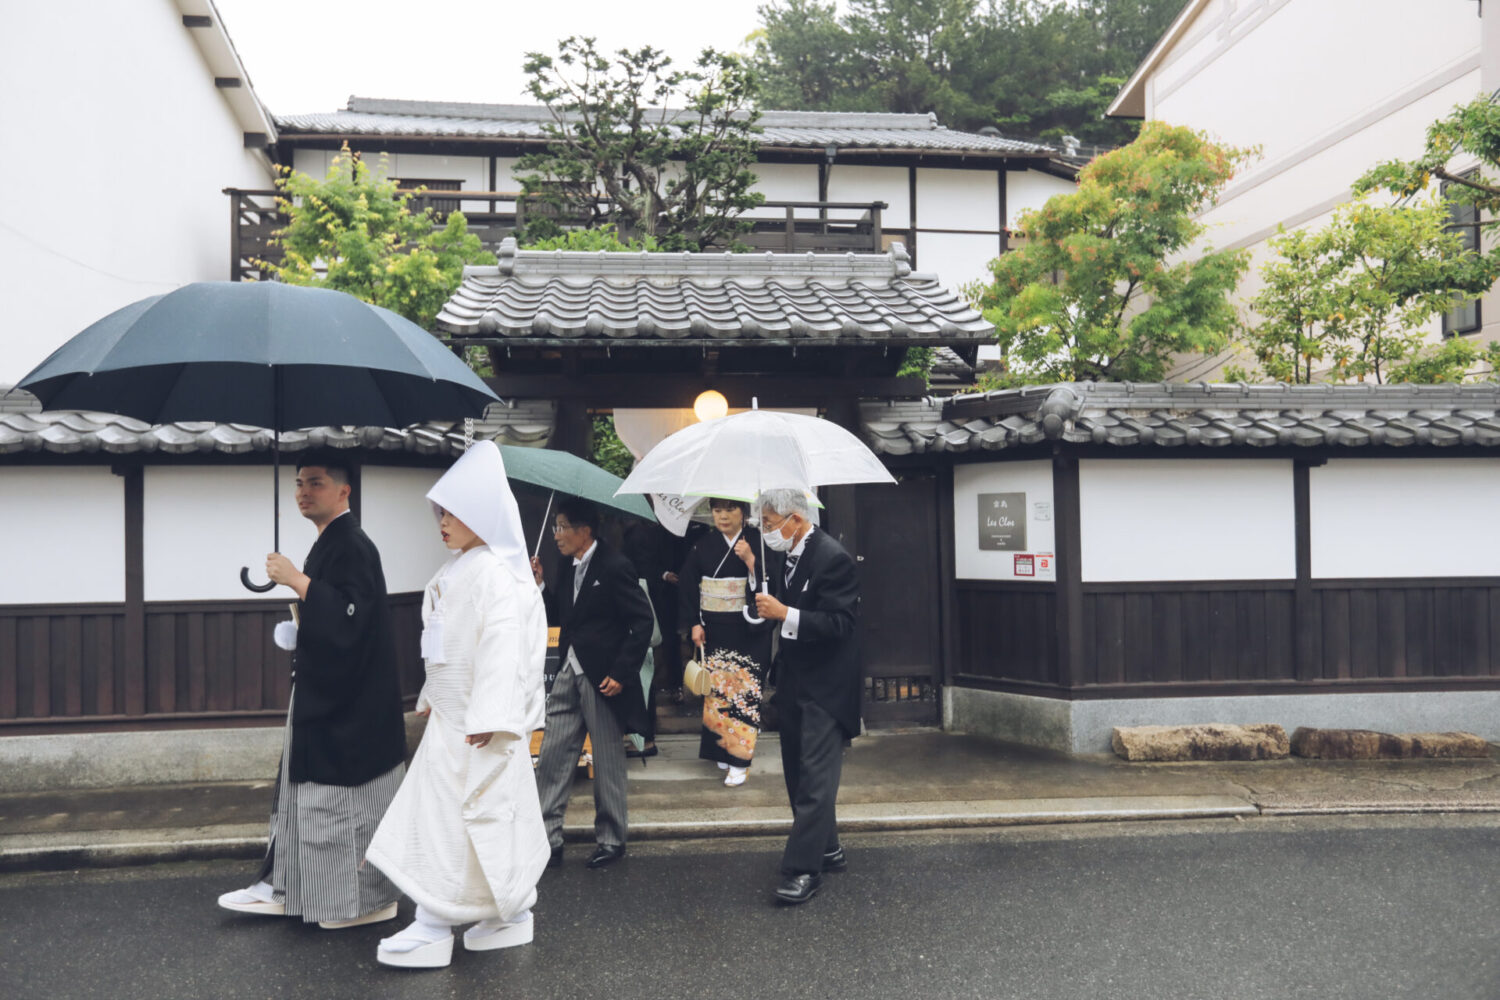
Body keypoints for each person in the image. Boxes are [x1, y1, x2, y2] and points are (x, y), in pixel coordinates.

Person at [365, 441, 550, 969]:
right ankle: (506, 912)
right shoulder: (463, 567)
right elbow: (445, 647)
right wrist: (434, 693)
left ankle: (434, 924)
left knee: (458, 818)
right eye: (441, 511)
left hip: (478, 723)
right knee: (468, 818)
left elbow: (503, 649)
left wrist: (491, 716)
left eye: (454, 511)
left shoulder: (494, 573)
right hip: (457, 717)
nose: (443, 521)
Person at [217, 450, 406, 929]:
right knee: (301, 797)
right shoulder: (329, 542)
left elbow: (354, 617)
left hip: (352, 704)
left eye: (316, 483)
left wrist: (299, 582)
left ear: (344, 491)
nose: (303, 491)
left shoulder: (354, 545)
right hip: (325, 691)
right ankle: (288, 888)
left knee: (344, 805)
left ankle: (364, 901)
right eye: (300, 483)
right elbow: (332, 616)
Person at [530, 498, 654, 869]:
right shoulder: (567, 566)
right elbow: (562, 618)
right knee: (552, 754)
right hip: (569, 671)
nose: (556, 535)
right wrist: (540, 586)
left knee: (607, 759)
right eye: (555, 527)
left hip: (602, 677)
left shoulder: (615, 566)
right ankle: (547, 839)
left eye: (562, 527)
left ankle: (612, 838)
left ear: (585, 530)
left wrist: (621, 672)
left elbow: (642, 622)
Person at [752, 488, 861, 905]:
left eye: (769, 523)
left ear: (795, 519)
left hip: (827, 686)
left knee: (815, 778)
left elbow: (840, 624)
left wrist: (786, 614)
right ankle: (828, 847)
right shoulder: (784, 556)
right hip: (794, 681)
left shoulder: (833, 557)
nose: (766, 532)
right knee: (797, 774)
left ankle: (803, 869)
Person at [677, 498, 773, 786]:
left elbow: (775, 583)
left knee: (743, 692)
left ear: (743, 512)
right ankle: (721, 745)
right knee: (717, 691)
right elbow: (687, 582)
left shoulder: (758, 541)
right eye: (717, 510)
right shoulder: (703, 544)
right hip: (715, 628)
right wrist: (694, 622)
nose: (723, 516)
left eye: (730, 509)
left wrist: (751, 561)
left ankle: (739, 760)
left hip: (749, 629)